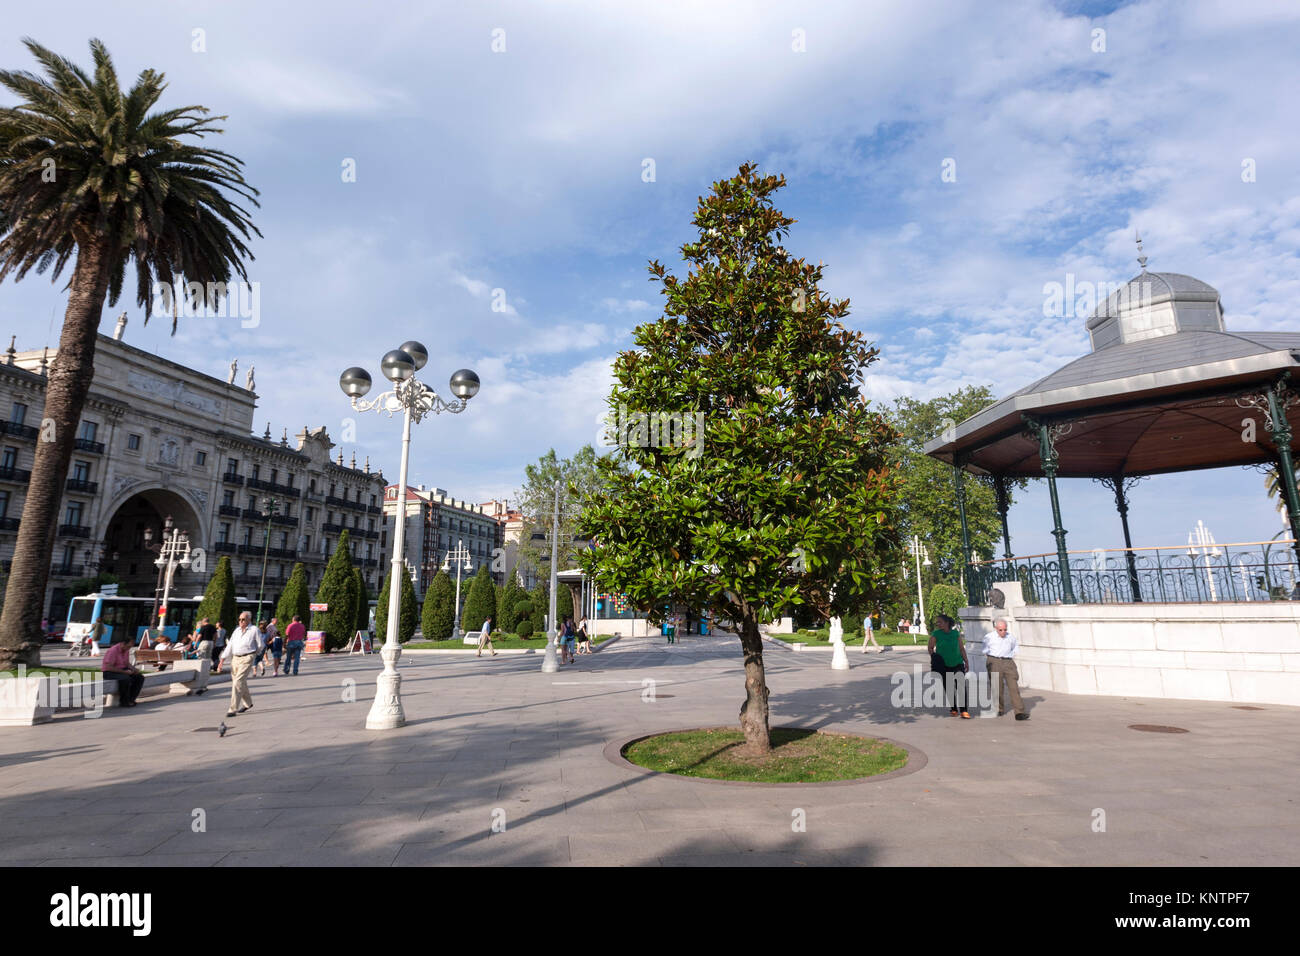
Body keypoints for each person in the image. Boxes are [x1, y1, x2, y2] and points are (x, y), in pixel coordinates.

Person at [982, 617, 1028, 720]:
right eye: (1000, 630)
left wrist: (1011, 654)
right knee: (997, 686)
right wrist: (991, 658)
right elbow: (985, 649)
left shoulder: (1010, 637)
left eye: (1005, 629)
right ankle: (998, 708)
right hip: (994, 661)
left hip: (1008, 662)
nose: (1003, 632)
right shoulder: (989, 637)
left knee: (1014, 687)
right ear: (996, 628)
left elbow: (1015, 646)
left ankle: (1019, 712)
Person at [928, 614, 972, 718]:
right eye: (937, 622)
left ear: (947, 623)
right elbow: (930, 647)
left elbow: (961, 648)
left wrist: (966, 661)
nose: (938, 624)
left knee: (961, 686)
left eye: (940, 622)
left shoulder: (955, 633)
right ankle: (953, 708)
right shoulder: (936, 634)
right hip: (944, 665)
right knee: (949, 688)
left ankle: (964, 711)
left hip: (957, 663)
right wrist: (935, 658)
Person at [222, 611, 265, 717]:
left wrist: (254, 654)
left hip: (247, 657)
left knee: (238, 681)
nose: (241, 621)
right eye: (239, 619)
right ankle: (248, 703)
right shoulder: (236, 631)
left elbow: (261, 645)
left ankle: (232, 709)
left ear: (249, 620)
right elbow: (230, 645)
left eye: (243, 619)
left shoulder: (254, 630)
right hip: (235, 658)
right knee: (240, 682)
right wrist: (222, 660)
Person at [101, 632, 145, 708]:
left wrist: (134, 669)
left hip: (122, 670)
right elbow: (108, 667)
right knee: (126, 679)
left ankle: (131, 699)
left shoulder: (126, 650)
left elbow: (127, 663)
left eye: (130, 647)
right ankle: (124, 701)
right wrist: (124, 672)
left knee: (139, 677)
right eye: (128, 647)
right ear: (123, 643)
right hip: (109, 672)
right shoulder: (113, 651)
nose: (129, 649)